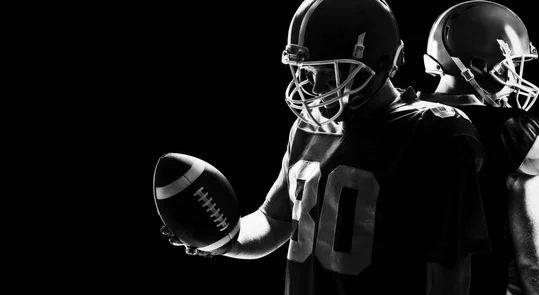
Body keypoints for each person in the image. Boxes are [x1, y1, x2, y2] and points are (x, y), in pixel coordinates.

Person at [160, 0, 491, 294]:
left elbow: (450, 268)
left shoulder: (433, 131)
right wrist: (224, 238)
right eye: (309, 72)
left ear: (380, 62)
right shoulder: (309, 126)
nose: (317, 88)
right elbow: (275, 220)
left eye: (332, 73)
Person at [418, 1, 539, 294]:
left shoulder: (404, 118)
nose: (513, 77)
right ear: (480, 66)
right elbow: (533, 261)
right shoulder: (513, 131)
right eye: (508, 66)